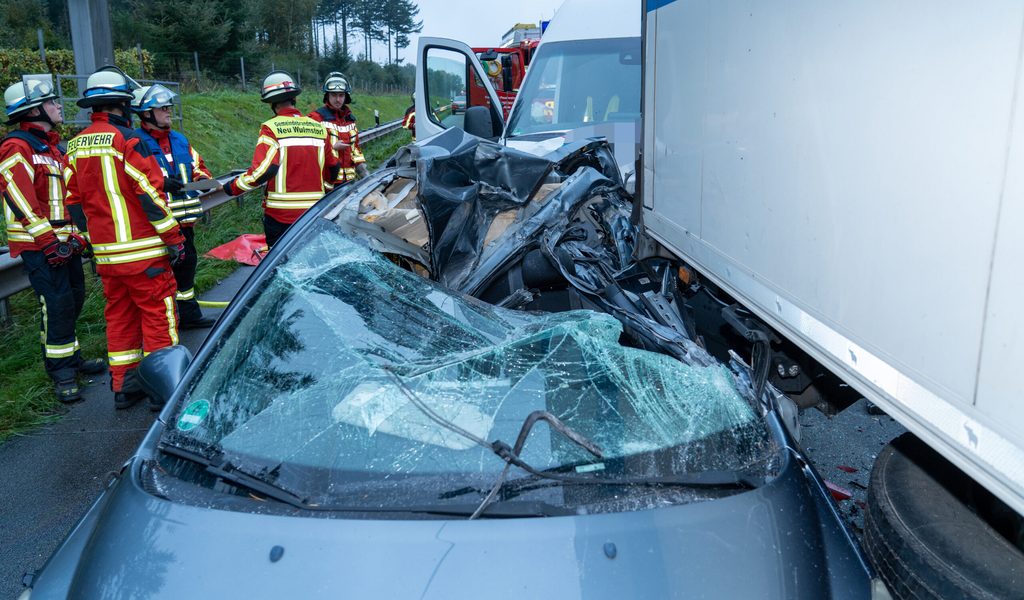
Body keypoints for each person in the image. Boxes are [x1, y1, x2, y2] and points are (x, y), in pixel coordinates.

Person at [64, 66, 186, 410]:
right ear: (122, 104)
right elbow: (148, 194)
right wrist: (174, 237)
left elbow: (73, 201)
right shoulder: (128, 140)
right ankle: (163, 390)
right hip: (143, 253)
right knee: (157, 315)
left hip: (106, 257)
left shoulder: (74, 146)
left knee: (119, 318)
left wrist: (91, 239)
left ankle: (124, 387)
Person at [0, 75, 106, 403]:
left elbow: (66, 199)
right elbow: (18, 195)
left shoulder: (52, 148)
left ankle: (71, 356)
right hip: (39, 245)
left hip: (64, 243)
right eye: (50, 102)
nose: (58, 106)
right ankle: (60, 371)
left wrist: (75, 237)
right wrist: (47, 240)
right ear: (32, 111)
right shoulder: (16, 146)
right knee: (56, 303)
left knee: (73, 298)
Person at [131, 84, 215, 330]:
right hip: (157, 227)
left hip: (184, 223)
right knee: (161, 278)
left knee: (187, 268)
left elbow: (198, 165)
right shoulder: (136, 143)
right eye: (162, 108)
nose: (169, 111)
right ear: (146, 113)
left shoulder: (180, 140)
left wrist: (201, 179)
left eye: (168, 106)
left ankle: (187, 315)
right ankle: (164, 322)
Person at [222, 71, 339, 247]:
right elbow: (334, 167)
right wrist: (326, 190)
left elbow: (264, 170)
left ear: (271, 103)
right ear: (294, 99)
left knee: (281, 269)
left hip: (281, 217)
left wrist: (233, 187)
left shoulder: (271, 128)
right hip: (314, 213)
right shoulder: (319, 128)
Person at [307, 72, 368, 186]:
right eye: (334, 95)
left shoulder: (349, 119)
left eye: (341, 95)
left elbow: (356, 150)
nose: (338, 99)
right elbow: (308, 150)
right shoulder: (316, 118)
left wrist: (366, 175)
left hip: (349, 183)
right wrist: (332, 148)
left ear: (346, 97)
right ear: (327, 96)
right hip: (327, 185)